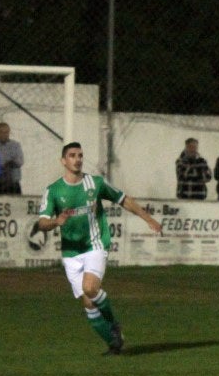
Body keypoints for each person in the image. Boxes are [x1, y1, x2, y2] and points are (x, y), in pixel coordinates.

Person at [35, 142, 164, 354]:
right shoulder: (53, 191)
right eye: (72, 155)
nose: (77, 159)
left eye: (80, 155)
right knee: (88, 304)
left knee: (90, 288)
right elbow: (41, 223)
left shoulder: (94, 183)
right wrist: (56, 221)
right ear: (63, 161)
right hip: (70, 253)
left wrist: (148, 219)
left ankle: (114, 324)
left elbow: (124, 200)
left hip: (95, 245)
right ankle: (115, 343)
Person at [0, 122, 24, 195]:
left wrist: (10, 163)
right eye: (1, 132)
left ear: (9, 132)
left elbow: (20, 161)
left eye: (6, 132)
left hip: (13, 183)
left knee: (16, 205)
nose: (3, 134)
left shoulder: (15, 145)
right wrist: (5, 163)